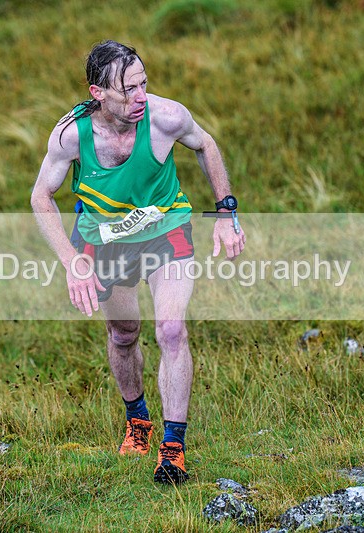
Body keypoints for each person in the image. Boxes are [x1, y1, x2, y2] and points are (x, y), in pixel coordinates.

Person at [30, 40, 245, 484]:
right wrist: (72, 262)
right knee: (124, 332)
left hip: (165, 229)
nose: (140, 96)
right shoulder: (71, 135)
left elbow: (205, 143)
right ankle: (137, 419)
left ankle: (173, 447)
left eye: (143, 83)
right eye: (128, 89)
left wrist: (226, 212)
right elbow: (41, 197)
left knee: (171, 329)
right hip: (104, 240)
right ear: (98, 93)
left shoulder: (166, 117)